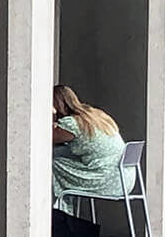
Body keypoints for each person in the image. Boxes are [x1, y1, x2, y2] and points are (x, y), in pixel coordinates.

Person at [51, 85, 130, 215]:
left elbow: (46, 139)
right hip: (123, 178)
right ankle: (65, 215)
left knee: (53, 163)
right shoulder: (94, 115)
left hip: (105, 178)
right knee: (64, 160)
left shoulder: (71, 123)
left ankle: (62, 215)